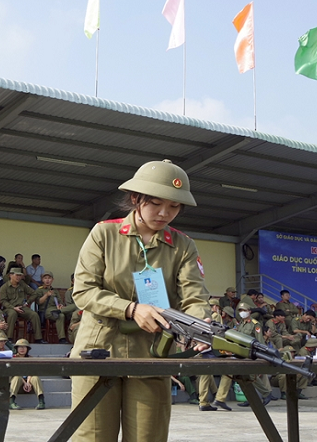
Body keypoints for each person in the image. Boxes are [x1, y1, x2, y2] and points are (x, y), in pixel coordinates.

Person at [69, 159, 210, 441]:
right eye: (156, 203)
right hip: (99, 352)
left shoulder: (182, 245)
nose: (164, 213)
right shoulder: (104, 233)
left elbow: (194, 295)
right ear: (136, 199)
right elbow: (83, 291)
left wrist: (200, 324)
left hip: (153, 355)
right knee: (92, 437)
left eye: (174, 206)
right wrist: (131, 309)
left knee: (149, 437)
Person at [234, 301, 273, 407]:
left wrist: (260, 356)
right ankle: (251, 397)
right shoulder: (241, 324)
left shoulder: (255, 324)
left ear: (249, 312)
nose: (242, 312)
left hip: (251, 354)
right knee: (243, 377)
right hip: (241, 353)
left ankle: (266, 393)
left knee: (250, 376)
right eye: (240, 310)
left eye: (244, 310)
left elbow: (260, 341)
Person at [0, 267, 45, 343]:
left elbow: (34, 293)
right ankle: (9, 338)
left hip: (22, 307)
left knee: (34, 314)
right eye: (16, 275)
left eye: (20, 275)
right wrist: (13, 308)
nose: (18, 277)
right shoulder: (4, 287)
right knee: (12, 314)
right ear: (10, 275)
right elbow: (3, 301)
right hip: (10, 308)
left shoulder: (22, 284)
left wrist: (28, 302)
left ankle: (38, 338)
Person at [9, 339, 45, 410]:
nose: (22, 349)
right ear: (17, 348)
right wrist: (24, 382)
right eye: (20, 347)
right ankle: (11, 402)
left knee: (35, 377)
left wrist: (28, 382)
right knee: (17, 377)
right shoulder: (13, 358)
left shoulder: (31, 358)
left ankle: (41, 401)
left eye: (24, 347)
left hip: (29, 386)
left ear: (27, 349)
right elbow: (14, 372)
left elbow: (31, 371)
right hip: (17, 385)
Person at [35, 272, 69, 344]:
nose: (47, 280)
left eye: (49, 278)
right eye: (45, 278)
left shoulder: (55, 291)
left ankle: (63, 338)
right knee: (60, 315)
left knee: (62, 315)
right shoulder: (39, 290)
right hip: (45, 310)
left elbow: (60, 301)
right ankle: (62, 338)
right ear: (42, 280)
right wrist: (46, 295)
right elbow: (39, 302)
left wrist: (60, 305)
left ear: (52, 280)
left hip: (56, 309)